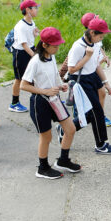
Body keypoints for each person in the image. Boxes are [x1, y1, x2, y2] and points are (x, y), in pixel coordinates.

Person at [21, 27, 82, 179]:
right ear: (44, 45)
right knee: (46, 137)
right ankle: (42, 168)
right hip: (40, 102)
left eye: (58, 45)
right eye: (54, 45)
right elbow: (24, 85)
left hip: (54, 99)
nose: (57, 48)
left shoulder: (51, 57)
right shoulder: (35, 61)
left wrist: (60, 84)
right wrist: (46, 91)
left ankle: (63, 160)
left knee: (71, 129)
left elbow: (53, 75)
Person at [61, 17, 111, 155]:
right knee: (96, 111)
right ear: (92, 33)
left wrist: (106, 83)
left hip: (92, 76)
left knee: (91, 113)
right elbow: (71, 69)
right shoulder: (77, 47)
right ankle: (100, 145)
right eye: (100, 36)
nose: (102, 39)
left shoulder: (95, 44)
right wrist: (86, 57)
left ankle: (66, 129)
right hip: (81, 80)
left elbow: (96, 65)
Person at [80, 12, 111, 128]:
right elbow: (90, 63)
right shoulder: (86, 42)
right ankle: (98, 116)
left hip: (96, 69)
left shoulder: (96, 38)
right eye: (96, 19)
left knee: (101, 93)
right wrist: (100, 61)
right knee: (94, 99)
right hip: (90, 72)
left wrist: (105, 57)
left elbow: (99, 48)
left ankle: (99, 115)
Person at [10, 0, 40, 113]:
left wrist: (35, 34)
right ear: (28, 10)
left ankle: (40, 97)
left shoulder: (32, 22)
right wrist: (34, 56)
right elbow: (24, 44)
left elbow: (30, 39)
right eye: (35, 8)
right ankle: (14, 103)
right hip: (21, 53)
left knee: (34, 75)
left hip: (30, 50)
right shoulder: (20, 26)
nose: (37, 10)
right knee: (19, 79)